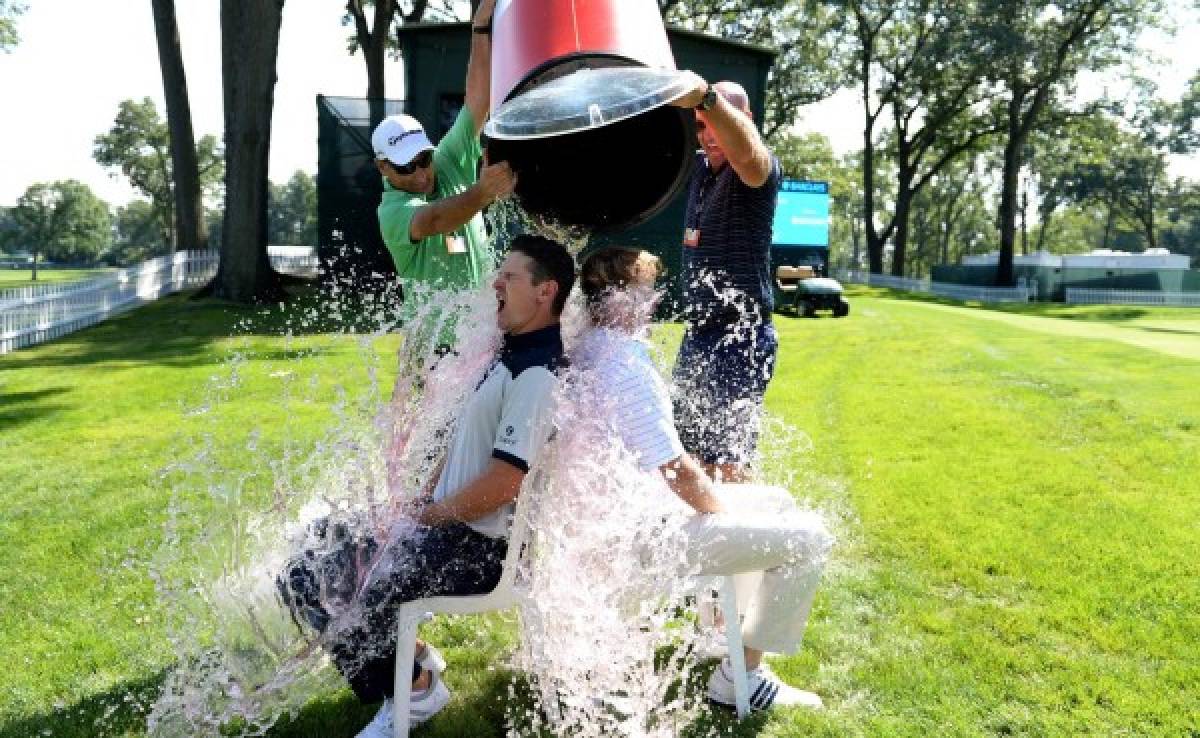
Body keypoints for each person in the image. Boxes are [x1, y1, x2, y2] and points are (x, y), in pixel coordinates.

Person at [277, 234, 576, 737]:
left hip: (480, 549)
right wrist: (420, 502)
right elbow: (469, 443)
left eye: (510, 276)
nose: (495, 282)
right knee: (307, 563)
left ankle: (413, 690)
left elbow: (504, 483)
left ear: (546, 291)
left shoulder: (537, 373)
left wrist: (426, 517)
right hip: (448, 530)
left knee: (359, 582)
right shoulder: (510, 352)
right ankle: (411, 662)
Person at [572, 246, 834, 713]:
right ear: (617, 300)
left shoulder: (587, 347)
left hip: (614, 523)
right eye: (644, 292)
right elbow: (676, 471)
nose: (653, 303)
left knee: (776, 502)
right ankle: (744, 677)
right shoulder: (626, 364)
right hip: (642, 537)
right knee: (808, 539)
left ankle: (723, 638)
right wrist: (722, 509)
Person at [668, 76, 783, 483]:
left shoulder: (758, 168)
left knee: (729, 465)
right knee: (686, 457)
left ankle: (739, 542)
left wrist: (708, 99)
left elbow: (748, 156)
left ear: (745, 118)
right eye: (700, 124)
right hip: (698, 334)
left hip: (742, 336)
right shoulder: (700, 169)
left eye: (719, 120)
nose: (709, 133)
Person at [370, 0, 515, 291]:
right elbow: (435, 220)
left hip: (482, 332)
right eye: (407, 166)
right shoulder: (392, 212)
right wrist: (483, 191)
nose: (421, 173)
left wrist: (480, 28)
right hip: (435, 338)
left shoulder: (447, 159)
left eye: (424, 159)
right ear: (383, 167)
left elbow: (477, 100)